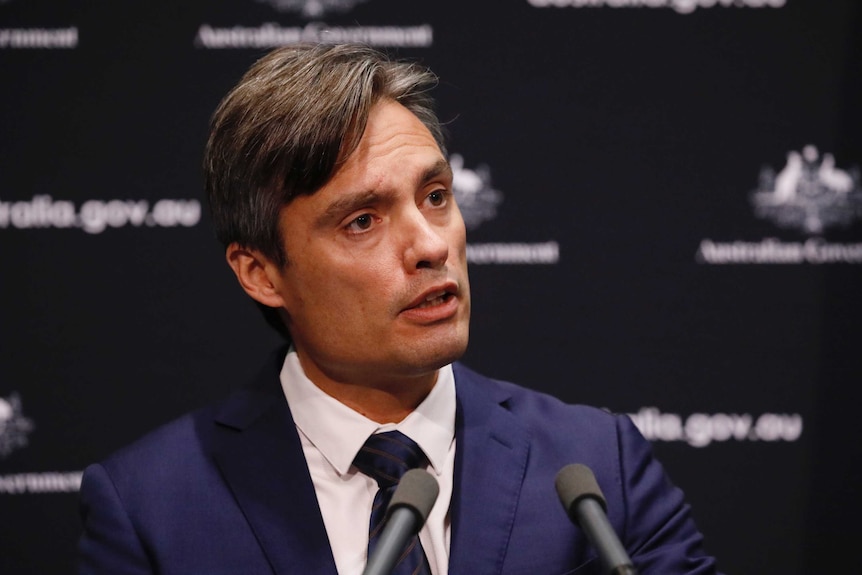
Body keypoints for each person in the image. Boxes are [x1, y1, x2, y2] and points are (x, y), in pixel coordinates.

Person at [77, 43, 720, 575]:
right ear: (261, 273)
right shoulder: (149, 508)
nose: (431, 244)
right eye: (362, 221)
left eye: (436, 195)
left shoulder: (597, 466)